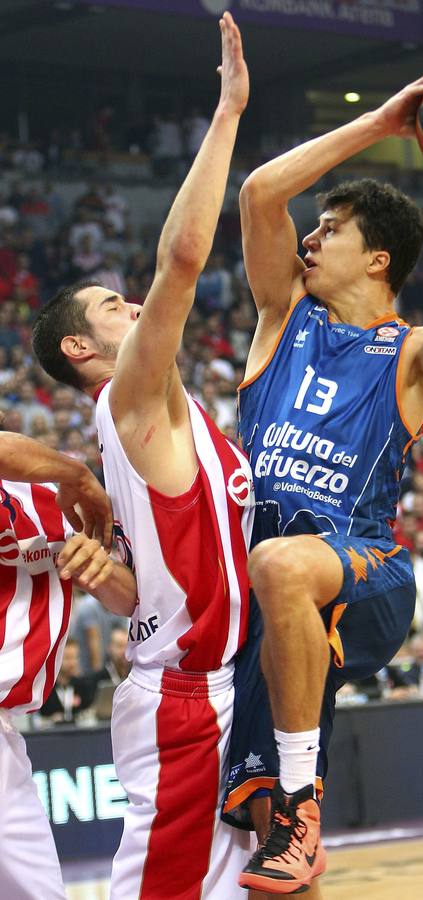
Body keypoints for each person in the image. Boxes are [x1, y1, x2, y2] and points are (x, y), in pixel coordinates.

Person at [223, 61, 423, 895]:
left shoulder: (407, 353)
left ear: (379, 260)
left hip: (365, 570)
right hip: (273, 614)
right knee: (273, 864)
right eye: (315, 226)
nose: (310, 239)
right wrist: (382, 122)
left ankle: (298, 798)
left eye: (331, 229)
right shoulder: (281, 320)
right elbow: (259, 192)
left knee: (283, 563)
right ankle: (289, 815)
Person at [32, 14, 255, 900]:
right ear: (83, 352)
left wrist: (111, 576)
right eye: (114, 306)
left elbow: (145, 590)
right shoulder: (128, 400)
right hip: (187, 699)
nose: (135, 308)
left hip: (227, 681)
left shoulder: (165, 417)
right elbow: (186, 255)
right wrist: (231, 110)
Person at [0, 430, 136, 900]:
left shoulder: (53, 498)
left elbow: (127, 600)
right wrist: (79, 472)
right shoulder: (66, 477)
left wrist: (97, 563)